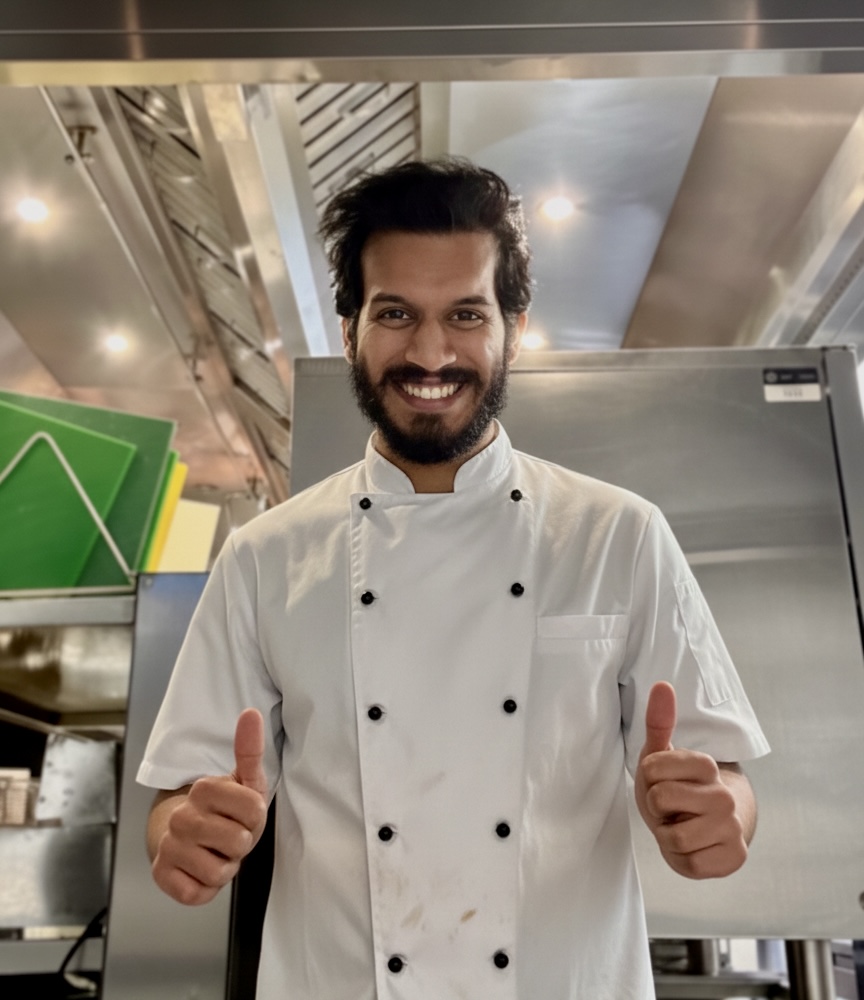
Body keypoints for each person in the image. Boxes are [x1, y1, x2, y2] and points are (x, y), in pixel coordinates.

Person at [139, 158, 769, 1000]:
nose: (430, 353)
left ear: (512, 323)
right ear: (350, 326)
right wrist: (180, 834)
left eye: (465, 314)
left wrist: (723, 818)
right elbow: (183, 796)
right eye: (395, 313)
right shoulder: (266, 556)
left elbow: (724, 775)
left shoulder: (618, 534)